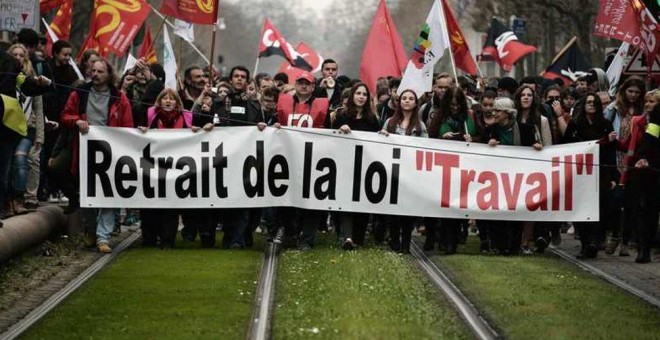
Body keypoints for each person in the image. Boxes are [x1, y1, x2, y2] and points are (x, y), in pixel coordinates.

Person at [60, 58, 133, 253]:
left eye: (100, 71)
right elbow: (65, 116)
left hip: (110, 153)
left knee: (108, 194)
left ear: (109, 74)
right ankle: (90, 230)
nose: (96, 74)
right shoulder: (80, 93)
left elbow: (127, 126)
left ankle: (103, 237)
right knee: (87, 194)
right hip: (84, 151)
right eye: (93, 71)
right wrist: (76, 121)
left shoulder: (119, 97)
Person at [276, 71, 330, 250]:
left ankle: (307, 238)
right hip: (289, 159)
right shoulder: (284, 104)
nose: (304, 86)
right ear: (295, 84)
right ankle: (290, 233)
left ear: (313, 86)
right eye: (300, 82)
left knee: (311, 200)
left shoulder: (321, 106)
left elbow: (328, 130)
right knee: (287, 199)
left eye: (307, 83)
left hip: (313, 160)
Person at [138, 89, 194, 248]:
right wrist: (142, 130)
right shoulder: (149, 115)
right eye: (164, 98)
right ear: (159, 101)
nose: (168, 101)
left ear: (177, 102)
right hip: (151, 167)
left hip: (176, 169)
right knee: (149, 204)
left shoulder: (186, 117)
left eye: (172, 99)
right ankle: (149, 237)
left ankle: (167, 239)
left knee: (171, 205)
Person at [562, 93, 617, 259]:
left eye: (595, 102)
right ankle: (585, 243)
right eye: (589, 102)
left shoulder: (606, 125)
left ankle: (595, 240)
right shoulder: (575, 124)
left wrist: (613, 175)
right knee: (581, 208)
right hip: (580, 172)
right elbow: (569, 146)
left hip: (600, 172)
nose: (592, 105)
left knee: (599, 207)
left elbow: (610, 152)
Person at [487, 97, 542, 255]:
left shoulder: (526, 130)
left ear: (508, 113)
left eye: (498, 110)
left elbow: (534, 146)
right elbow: (481, 147)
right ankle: (501, 245)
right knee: (499, 213)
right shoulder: (491, 130)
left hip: (519, 179)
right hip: (497, 179)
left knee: (517, 213)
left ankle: (515, 246)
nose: (494, 113)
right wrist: (487, 144)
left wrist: (536, 147)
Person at [425, 86, 477, 254]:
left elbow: (481, 137)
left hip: (463, 169)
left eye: (457, 104)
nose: (455, 108)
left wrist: (472, 139)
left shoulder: (469, 117)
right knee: (442, 206)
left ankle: (452, 241)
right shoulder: (440, 117)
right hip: (443, 168)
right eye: (452, 104)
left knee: (456, 205)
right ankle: (440, 237)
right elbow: (430, 136)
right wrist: (442, 138)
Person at [334, 83, 381, 250]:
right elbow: (331, 137)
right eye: (358, 93)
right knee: (346, 200)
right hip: (345, 165)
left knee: (362, 201)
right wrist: (340, 129)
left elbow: (377, 140)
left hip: (365, 166)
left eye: (364, 94)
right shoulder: (342, 115)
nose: (361, 97)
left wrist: (382, 135)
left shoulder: (372, 119)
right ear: (352, 95)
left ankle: (359, 238)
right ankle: (347, 237)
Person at [380, 89, 428, 253]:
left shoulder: (420, 126)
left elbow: (425, 147)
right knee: (393, 208)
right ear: (399, 102)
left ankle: (406, 244)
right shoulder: (390, 123)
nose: (407, 101)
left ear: (416, 103)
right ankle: (394, 240)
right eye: (404, 98)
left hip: (411, 173)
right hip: (393, 171)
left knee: (408, 209)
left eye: (411, 99)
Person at [604, 76, 646, 256]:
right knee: (614, 202)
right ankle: (614, 235)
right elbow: (605, 130)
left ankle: (626, 241)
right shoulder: (613, 110)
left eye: (637, 92)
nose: (633, 95)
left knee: (631, 204)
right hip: (615, 160)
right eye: (630, 91)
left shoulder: (644, 112)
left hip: (634, 162)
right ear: (623, 91)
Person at [5, 44, 45, 216]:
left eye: (22, 55)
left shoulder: (32, 80)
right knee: (7, 165)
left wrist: (40, 136)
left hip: (27, 128)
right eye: (15, 55)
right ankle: (7, 202)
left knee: (21, 159)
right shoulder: (6, 77)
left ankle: (18, 199)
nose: (18, 58)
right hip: (8, 127)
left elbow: (39, 109)